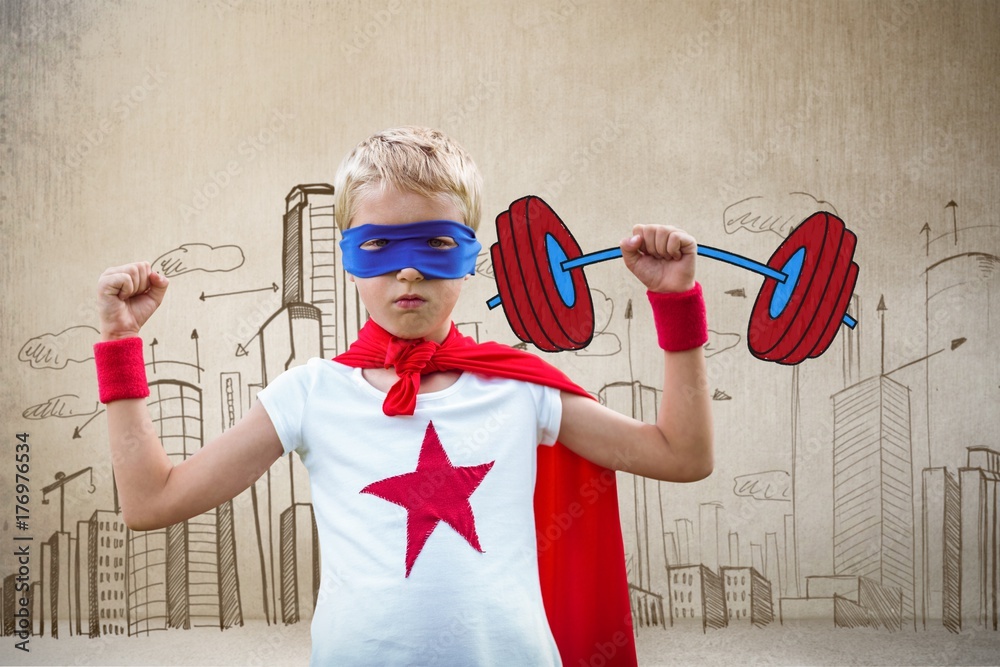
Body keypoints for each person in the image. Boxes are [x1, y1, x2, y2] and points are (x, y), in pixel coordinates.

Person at [95, 126, 713, 665]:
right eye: (379, 247)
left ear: (471, 256)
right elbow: (153, 502)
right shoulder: (309, 394)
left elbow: (679, 456)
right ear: (348, 261)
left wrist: (676, 303)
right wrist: (120, 345)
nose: (409, 271)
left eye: (436, 244)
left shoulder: (521, 388)